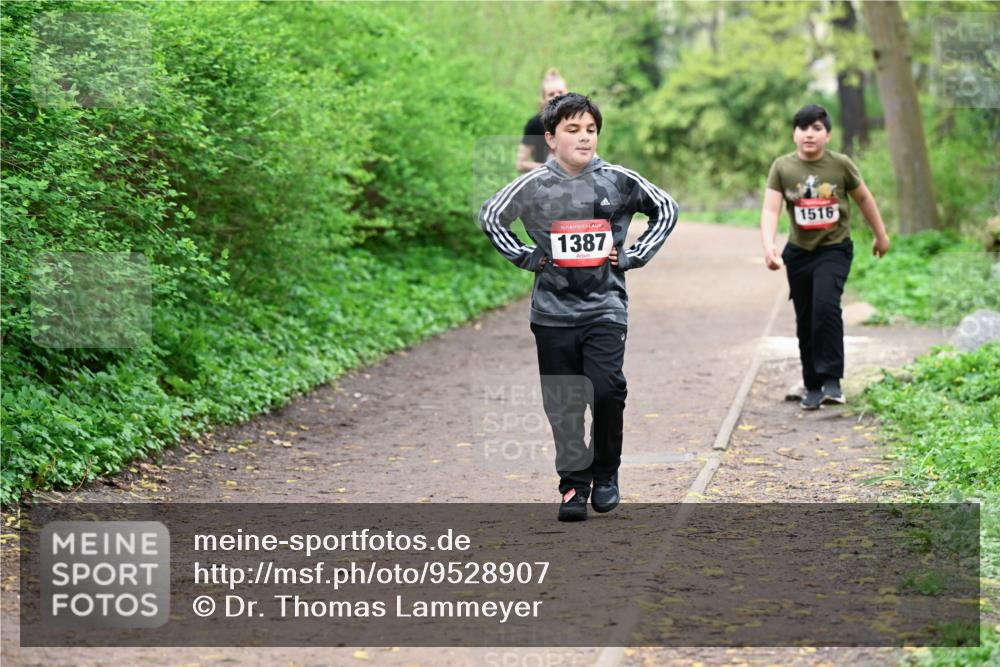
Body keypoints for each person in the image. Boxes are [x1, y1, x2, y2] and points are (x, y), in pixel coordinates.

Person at [480, 93, 679, 521]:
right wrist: (526, 256)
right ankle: (573, 486)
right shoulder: (532, 185)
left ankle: (606, 474)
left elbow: (666, 208)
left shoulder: (618, 180)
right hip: (552, 312)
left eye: (590, 130)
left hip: (605, 307)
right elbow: (491, 216)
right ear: (550, 138)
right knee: (565, 402)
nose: (584, 138)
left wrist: (633, 254)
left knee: (607, 390)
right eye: (573, 130)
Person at [760, 104, 890, 410]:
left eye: (817, 128)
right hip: (799, 253)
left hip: (834, 248)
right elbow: (770, 209)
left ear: (828, 135)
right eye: (803, 127)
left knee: (825, 308)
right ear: (794, 134)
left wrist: (881, 235)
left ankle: (832, 380)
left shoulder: (840, 165)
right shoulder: (782, 167)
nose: (809, 134)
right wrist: (769, 246)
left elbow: (864, 198)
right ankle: (812, 385)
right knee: (805, 317)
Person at [516, 68, 568, 173]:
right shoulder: (534, 124)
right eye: (551, 94)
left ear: (568, 93)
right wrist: (549, 168)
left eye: (560, 92)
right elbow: (521, 164)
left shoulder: (579, 120)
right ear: (543, 99)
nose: (557, 96)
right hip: (546, 183)